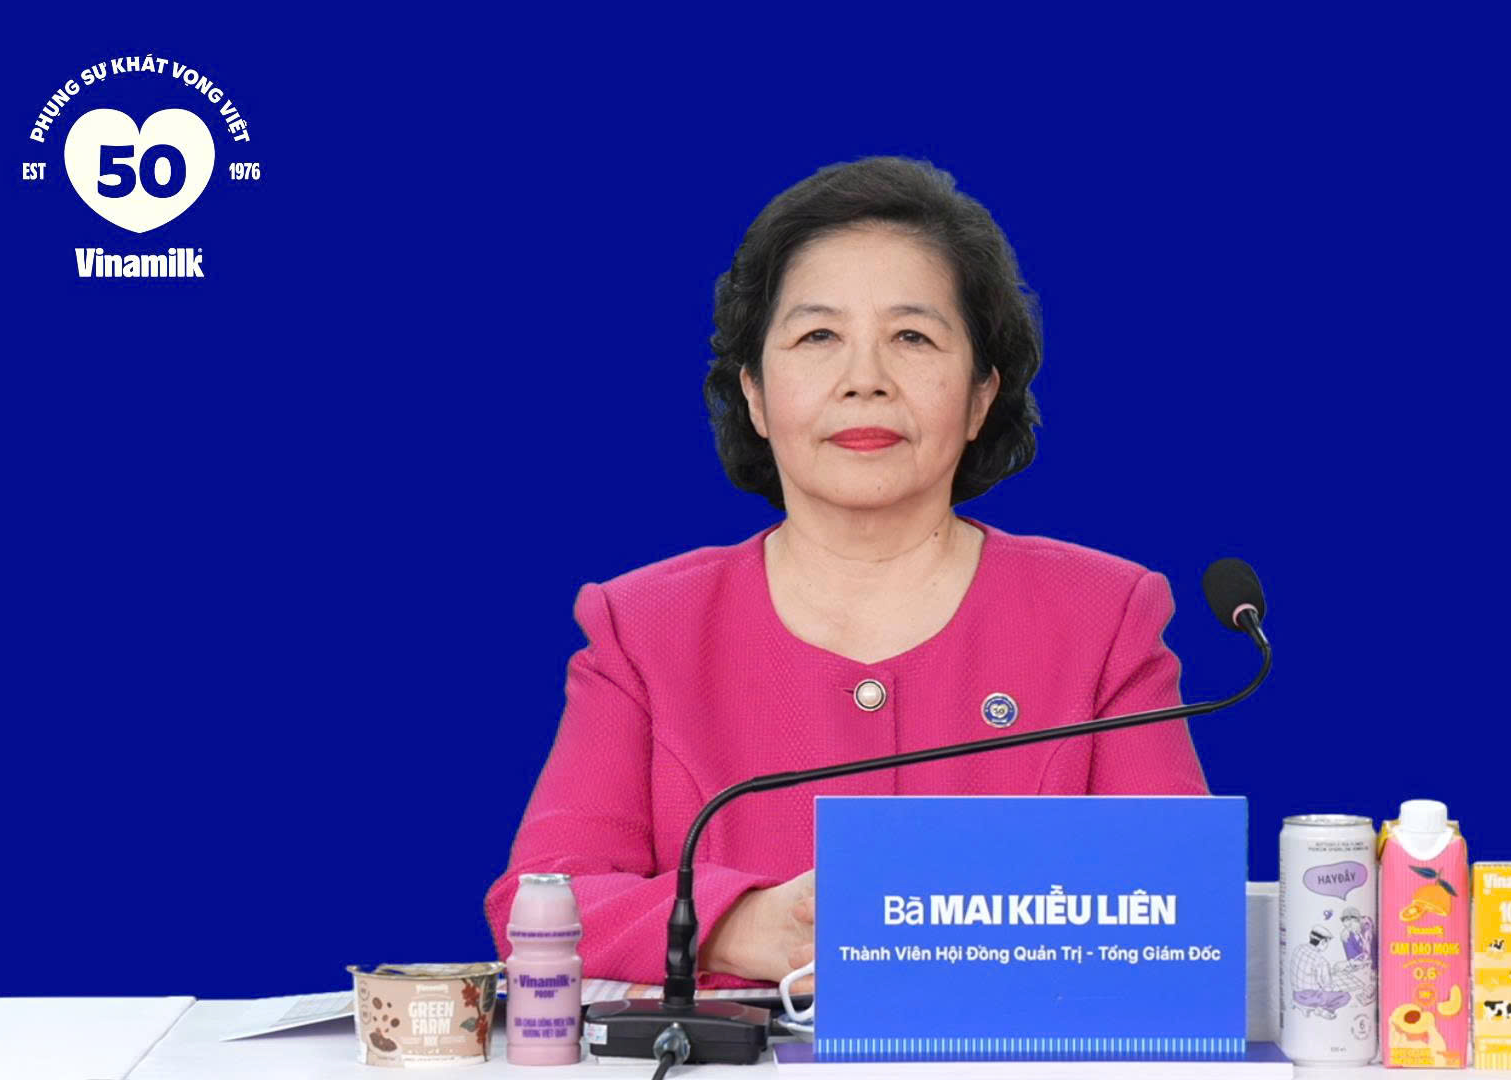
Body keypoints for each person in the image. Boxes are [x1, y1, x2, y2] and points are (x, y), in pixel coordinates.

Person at [482, 156, 1210, 992]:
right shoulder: (646, 627)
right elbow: (540, 901)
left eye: (913, 337)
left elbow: (1179, 905)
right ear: (756, 395)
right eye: (818, 337)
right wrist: (735, 927)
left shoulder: (1102, 617)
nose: (866, 380)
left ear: (980, 396)